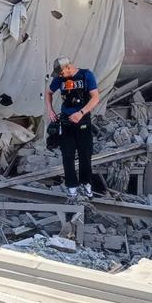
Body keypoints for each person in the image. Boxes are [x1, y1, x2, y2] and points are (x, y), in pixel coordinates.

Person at [45, 57, 100, 200]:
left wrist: (81, 113)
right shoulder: (59, 79)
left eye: (62, 73)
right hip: (66, 122)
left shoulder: (86, 75)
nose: (60, 77)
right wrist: (50, 110)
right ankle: (72, 188)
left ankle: (87, 185)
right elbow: (48, 92)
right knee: (67, 155)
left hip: (83, 120)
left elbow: (95, 98)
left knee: (85, 154)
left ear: (68, 67)